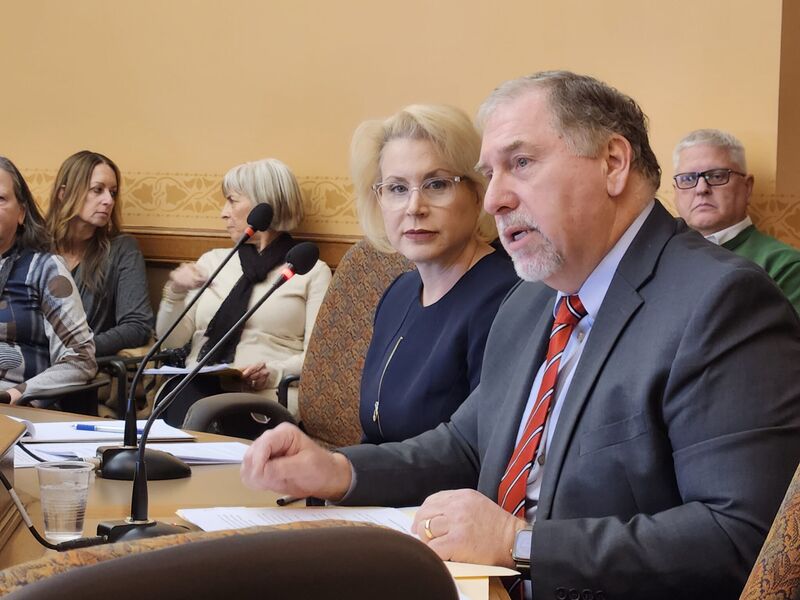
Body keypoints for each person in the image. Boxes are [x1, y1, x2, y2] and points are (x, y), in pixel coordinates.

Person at [240, 72, 800, 599]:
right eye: (491, 174)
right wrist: (339, 469)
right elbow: (466, 443)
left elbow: (742, 538)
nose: (493, 200)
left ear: (612, 162)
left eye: (522, 164)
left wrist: (520, 547)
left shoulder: (720, 303)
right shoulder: (533, 297)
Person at [351, 104, 518, 443]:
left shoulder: (507, 301)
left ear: (477, 193)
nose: (414, 207)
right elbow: (375, 432)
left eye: (437, 184)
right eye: (397, 188)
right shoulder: (399, 292)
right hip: (374, 491)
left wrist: (343, 473)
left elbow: (479, 452)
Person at [157, 158, 331, 427]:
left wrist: (273, 373)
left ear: (263, 205)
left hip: (265, 396)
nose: (223, 213)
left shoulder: (310, 271)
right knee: (178, 412)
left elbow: (318, 357)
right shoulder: (212, 262)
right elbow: (170, 342)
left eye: (232, 200)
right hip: (196, 387)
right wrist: (176, 292)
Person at [0, 156, 97, 407]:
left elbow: (81, 359)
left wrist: (19, 393)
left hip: (13, 409)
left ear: (21, 212)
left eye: (0, 199)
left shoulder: (44, 269)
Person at [672, 129, 800, 312]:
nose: (701, 188)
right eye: (688, 178)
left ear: (747, 187)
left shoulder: (784, 266)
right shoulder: (658, 257)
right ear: (675, 191)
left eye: (717, 176)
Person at [46, 150, 154, 356]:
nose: (109, 200)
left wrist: (82, 349)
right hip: (21, 364)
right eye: (98, 190)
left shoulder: (122, 249)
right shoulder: (35, 247)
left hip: (77, 372)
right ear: (64, 193)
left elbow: (137, 326)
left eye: (112, 192)